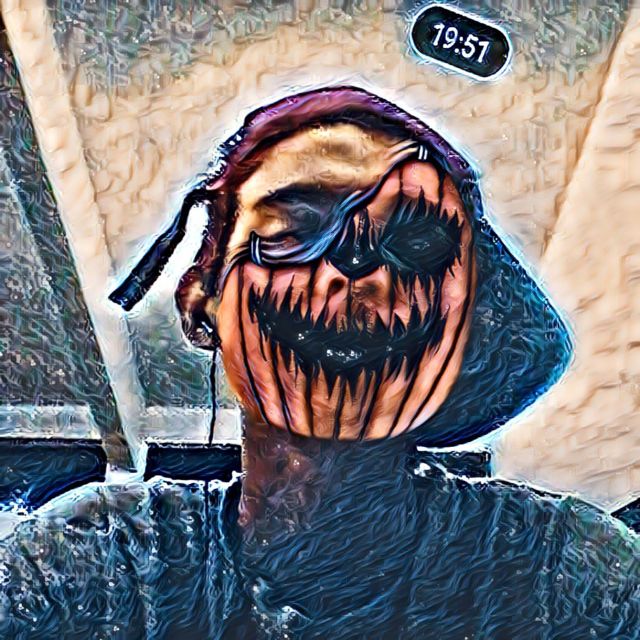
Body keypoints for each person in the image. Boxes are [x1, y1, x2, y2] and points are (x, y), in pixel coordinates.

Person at [1, 87, 638, 639]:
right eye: (292, 228)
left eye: (416, 240)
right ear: (202, 302)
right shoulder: (106, 563)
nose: (356, 269)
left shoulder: (558, 569)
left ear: (462, 323)